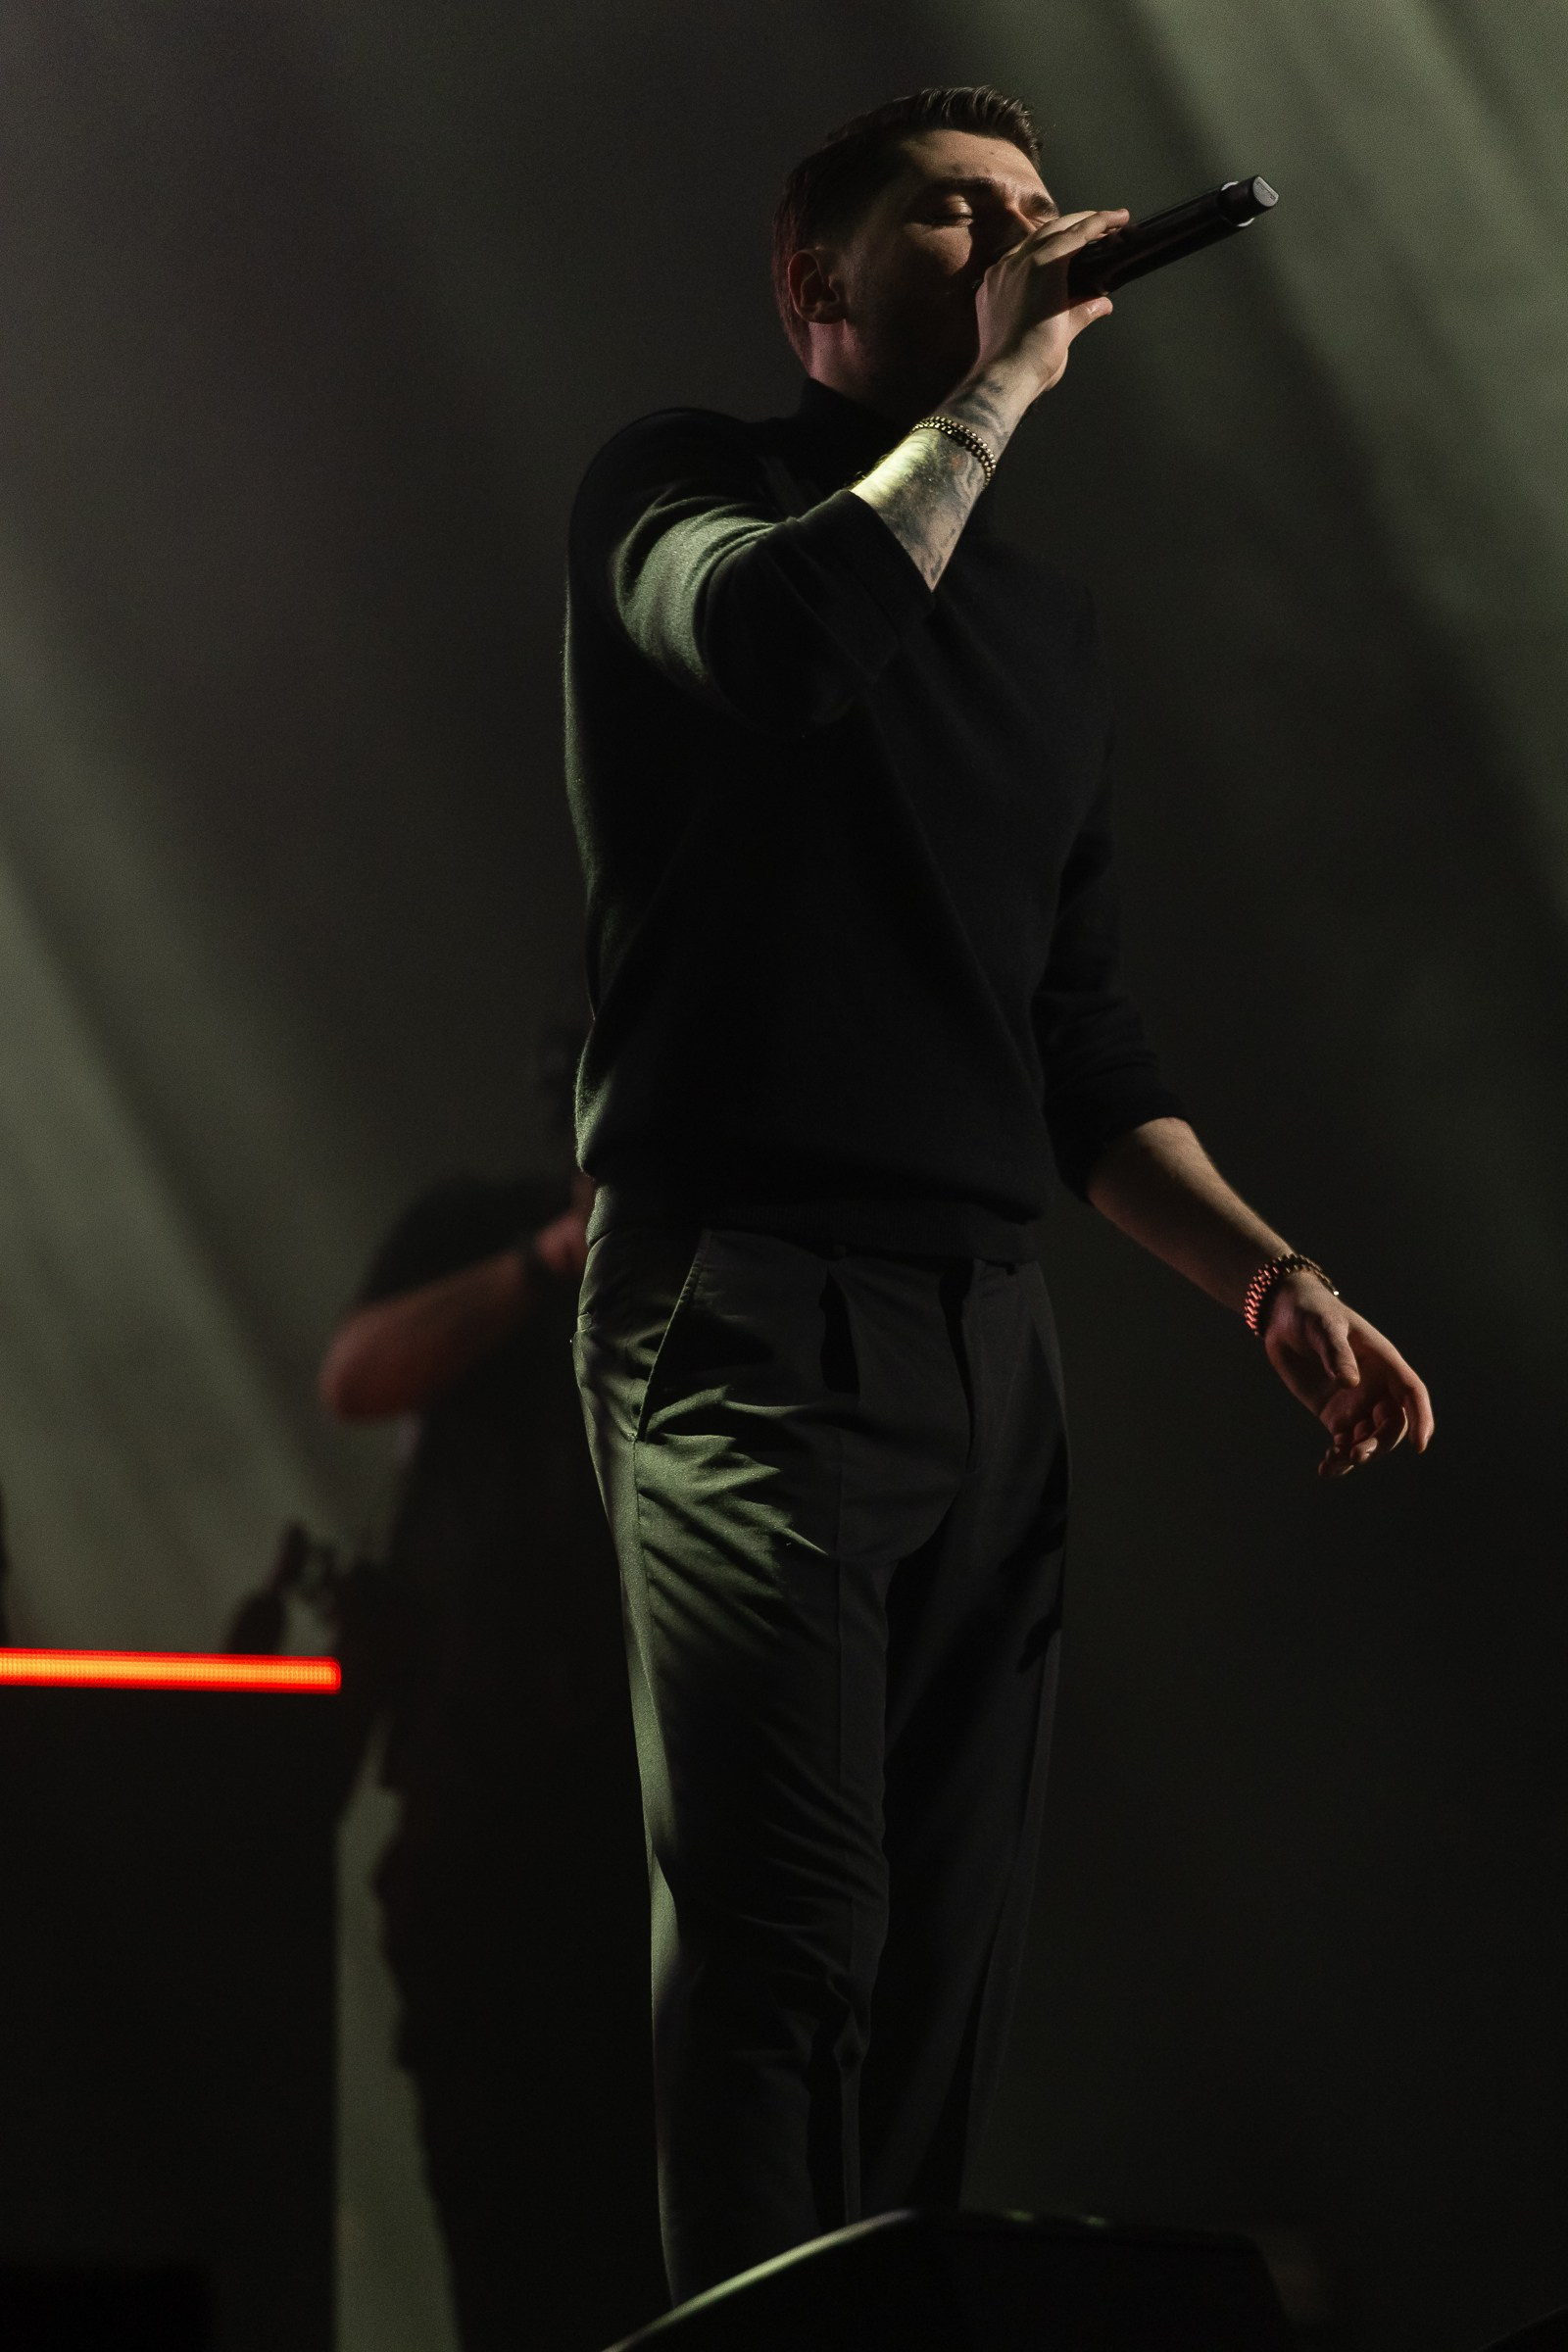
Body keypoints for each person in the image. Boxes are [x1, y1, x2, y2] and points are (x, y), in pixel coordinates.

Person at [565, 84, 1434, 2306]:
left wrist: (1272, 1279)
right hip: (741, 1313)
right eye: (957, 217)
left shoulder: (1043, 631)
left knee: (939, 1963)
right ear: (814, 279)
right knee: (786, 1934)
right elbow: (780, 647)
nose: (1021, 244)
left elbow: (1078, 1042)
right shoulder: (682, 492)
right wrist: (1002, 381)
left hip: (981, 1337)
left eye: (1038, 216)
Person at [318, 1161, 665, 2352]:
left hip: (652, 1857)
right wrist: (546, 1260)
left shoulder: (744, 1251)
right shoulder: (483, 1226)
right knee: (507, 2247)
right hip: (481, 1832)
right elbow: (355, 1376)